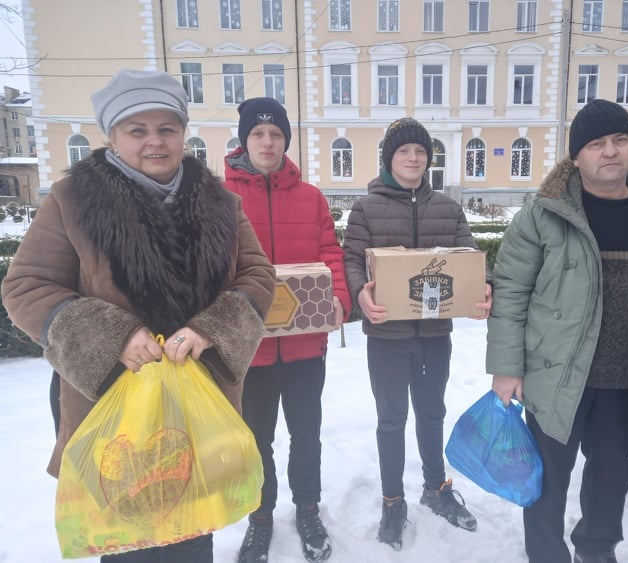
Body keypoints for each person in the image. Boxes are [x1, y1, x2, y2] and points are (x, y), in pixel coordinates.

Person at [0, 69, 277, 563]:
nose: (155, 141)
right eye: (137, 130)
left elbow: (257, 276)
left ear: (183, 133)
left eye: (167, 128)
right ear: (113, 136)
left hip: (198, 397)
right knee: (128, 536)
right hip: (111, 399)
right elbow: (26, 287)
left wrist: (210, 328)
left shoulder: (222, 204)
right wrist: (113, 337)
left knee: (193, 527)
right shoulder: (71, 202)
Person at [486, 99, 628, 563]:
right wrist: (506, 367)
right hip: (556, 375)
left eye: (620, 140)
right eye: (596, 144)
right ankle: (546, 554)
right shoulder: (543, 215)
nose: (610, 151)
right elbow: (510, 293)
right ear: (577, 156)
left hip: (626, 380)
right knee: (547, 481)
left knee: (610, 478)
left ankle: (597, 548)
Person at [343, 117, 492, 551]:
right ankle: (393, 502)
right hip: (386, 336)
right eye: (404, 150)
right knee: (391, 420)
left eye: (421, 151)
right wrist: (360, 292)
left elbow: (469, 257)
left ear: (429, 158)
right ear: (389, 158)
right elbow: (352, 259)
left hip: (434, 333)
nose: (413, 158)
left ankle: (435, 487)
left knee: (431, 413)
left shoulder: (448, 208)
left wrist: (484, 286)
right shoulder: (366, 209)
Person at [224, 97, 352, 563]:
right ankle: (260, 518)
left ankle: (308, 509)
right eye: (258, 134)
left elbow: (330, 252)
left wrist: (339, 299)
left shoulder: (311, 197)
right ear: (244, 140)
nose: (267, 142)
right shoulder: (221, 198)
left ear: (286, 140)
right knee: (256, 439)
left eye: (275, 134)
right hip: (249, 350)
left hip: (304, 346)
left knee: (306, 434)